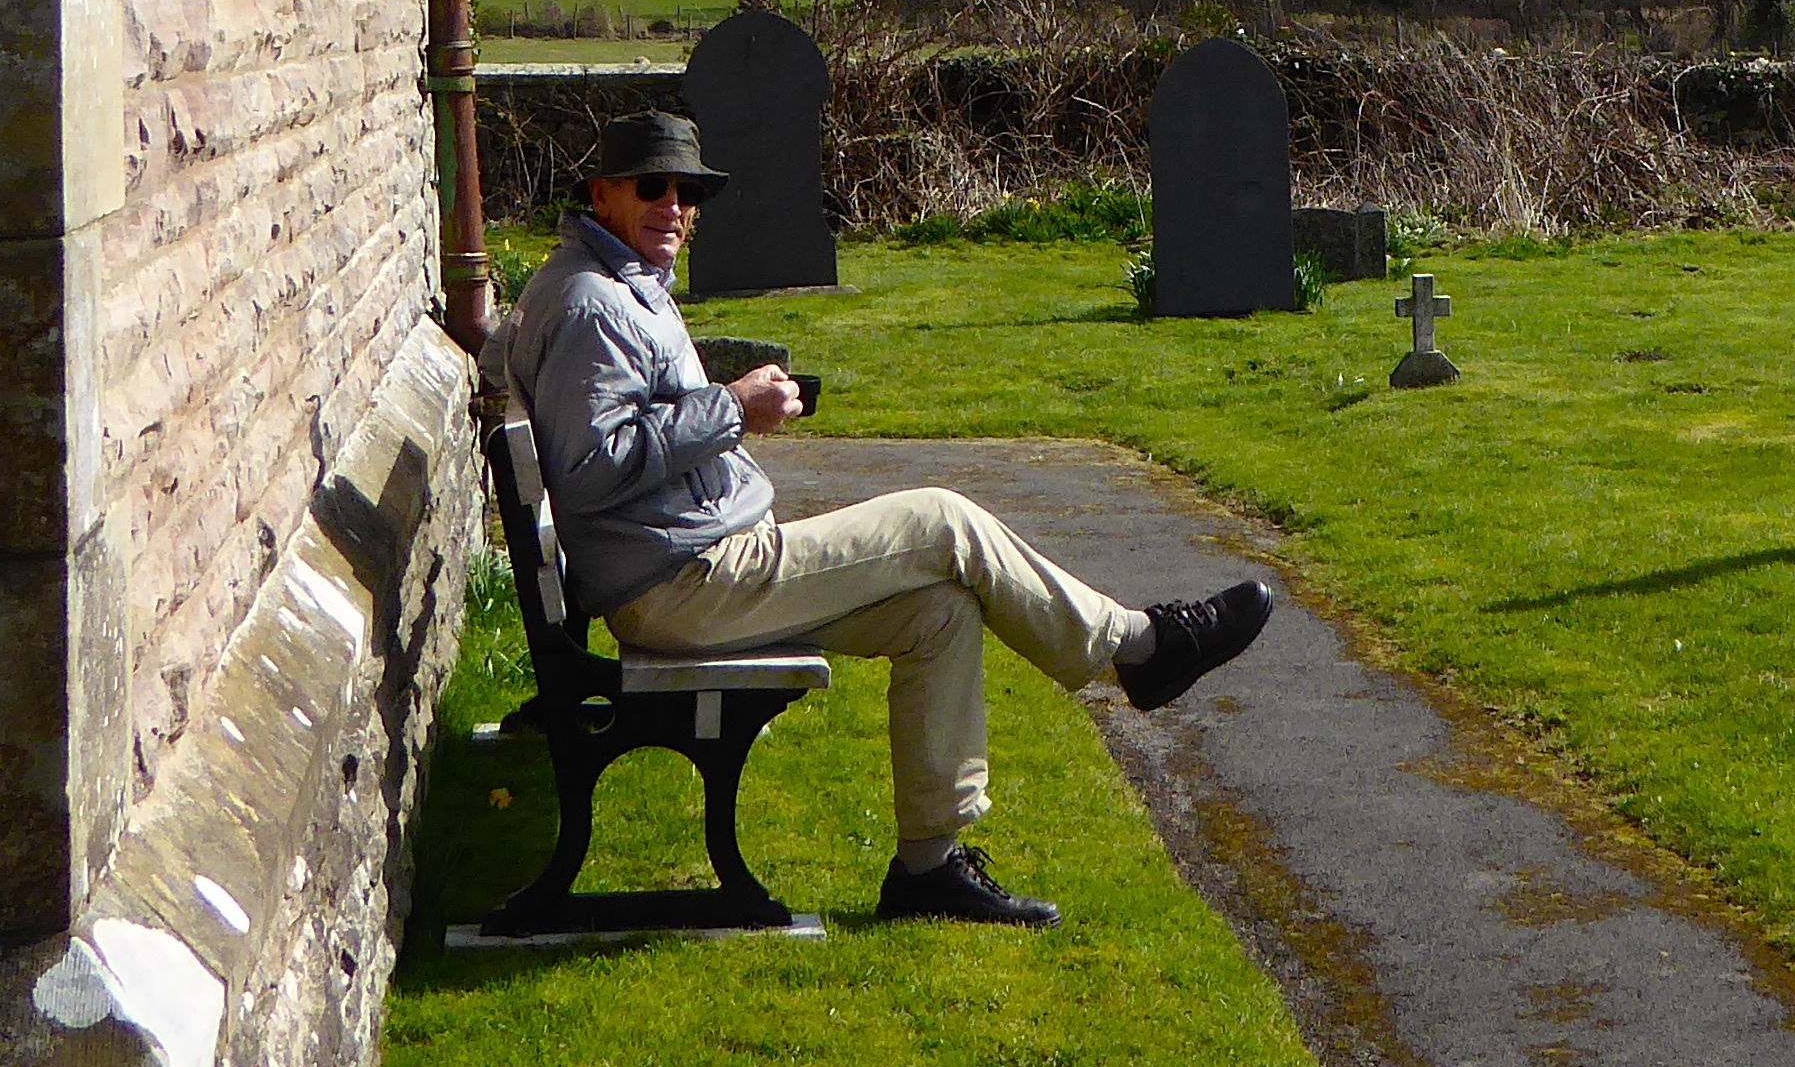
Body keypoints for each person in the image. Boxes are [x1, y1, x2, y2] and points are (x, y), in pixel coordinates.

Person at [509, 108, 1273, 927]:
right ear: (602, 193)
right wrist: (730, 407)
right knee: (942, 520)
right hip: (685, 584)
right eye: (650, 186)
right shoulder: (594, 303)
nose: (673, 206)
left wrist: (723, 407)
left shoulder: (613, 283)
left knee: (938, 613)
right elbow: (589, 473)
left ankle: (928, 867)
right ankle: (1138, 645)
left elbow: (582, 412)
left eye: (687, 190)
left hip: (693, 565)